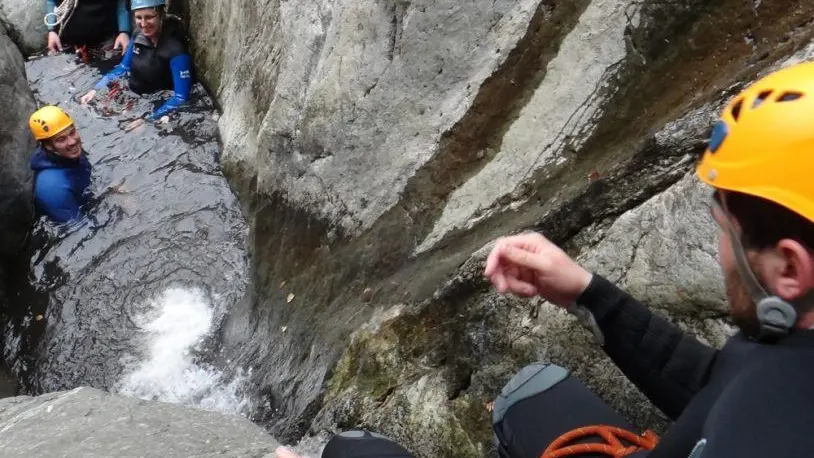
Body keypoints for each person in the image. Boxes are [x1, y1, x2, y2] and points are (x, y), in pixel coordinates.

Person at [276, 61, 814, 458]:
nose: (720, 250)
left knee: (351, 452)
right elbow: (723, 386)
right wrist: (588, 294)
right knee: (529, 393)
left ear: (789, 269)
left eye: (724, 230)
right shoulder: (788, 349)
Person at [80, 0, 193, 121]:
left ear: (161, 14)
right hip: (134, 94)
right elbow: (123, 68)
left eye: (149, 17)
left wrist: (148, 120)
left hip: (157, 102)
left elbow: (181, 97)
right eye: (139, 17)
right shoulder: (138, 35)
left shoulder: (176, 51)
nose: (143, 24)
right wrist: (96, 89)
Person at [29, 105, 92, 224]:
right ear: (48, 146)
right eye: (61, 139)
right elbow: (79, 228)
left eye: (72, 132)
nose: (72, 142)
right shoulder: (52, 188)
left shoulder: (68, 152)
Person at [45, 0, 131, 57]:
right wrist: (51, 30)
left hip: (104, 43)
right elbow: (51, 1)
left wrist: (124, 31)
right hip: (66, 42)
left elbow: (122, 4)